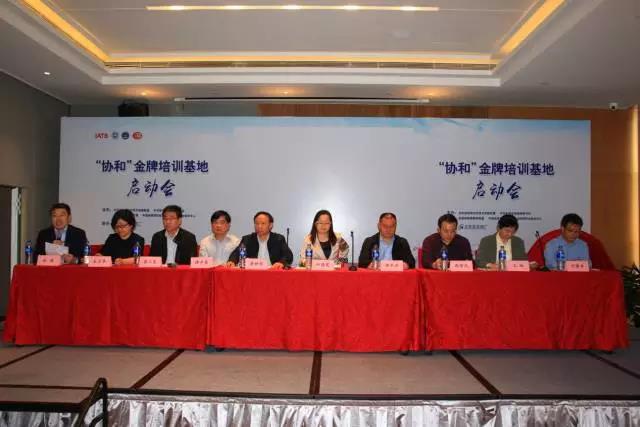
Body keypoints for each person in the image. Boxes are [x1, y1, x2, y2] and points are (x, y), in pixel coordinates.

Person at [227, 211, 293, 269]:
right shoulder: (247, 239)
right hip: (253, 272)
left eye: (263, 223)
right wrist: (232, 261)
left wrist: (281, 263)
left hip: (272, 272)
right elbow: (237, 253)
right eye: (257, 223)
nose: (259, 226)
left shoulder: (278, 239)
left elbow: (288, 255)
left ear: (270, 225)